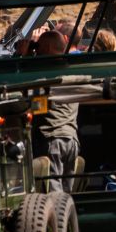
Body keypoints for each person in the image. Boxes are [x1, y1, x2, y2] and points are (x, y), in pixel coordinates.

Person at [31, 30, 79, 192]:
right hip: (70, 139)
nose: (37, 51)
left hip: (52, 140)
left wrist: (24, 55)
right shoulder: (70, 69)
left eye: (39, 47)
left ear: (49, 47)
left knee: (54, 197)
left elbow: (24, 82)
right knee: (66, 196)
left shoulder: (48, 73)